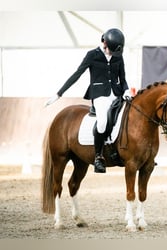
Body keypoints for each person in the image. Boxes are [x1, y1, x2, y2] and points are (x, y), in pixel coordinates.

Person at [45, 28, 130, 173]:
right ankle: (98, 157)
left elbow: (122, 78)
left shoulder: (118, 56)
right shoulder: (92, 55)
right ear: (104, 42)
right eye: (110, 49)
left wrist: (126, 90)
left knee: (130, 116)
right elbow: (76, 75)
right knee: (102, 122)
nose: (112, 54)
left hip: (117, 94)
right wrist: (59, 93)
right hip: (99, 96)